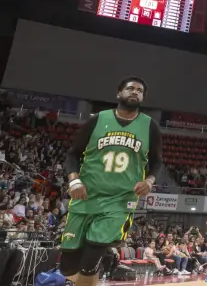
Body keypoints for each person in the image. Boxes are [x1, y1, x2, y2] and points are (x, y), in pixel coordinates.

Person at [60, 77, 163, 286]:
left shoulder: (150, 126)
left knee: (91, 257)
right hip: (86, 197)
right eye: (130, 88)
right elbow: (72, 154)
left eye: (140, 90)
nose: (135, 92)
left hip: (120, 201)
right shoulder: (97, 119)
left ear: (143, 97)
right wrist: (73, 181)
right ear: (119, 93)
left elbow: (157, 163)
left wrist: (150, 180)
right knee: (68, 265)